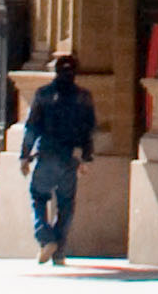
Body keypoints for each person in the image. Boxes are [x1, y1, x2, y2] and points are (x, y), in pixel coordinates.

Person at [19, 52, 100, 261]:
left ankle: (46, 239)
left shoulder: (43, 94)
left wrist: (25, 155)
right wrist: (86, 158)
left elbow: (32, 127)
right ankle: (59, 251)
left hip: (46, 154)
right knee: (66, 204)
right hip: (69, 157)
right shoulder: (83, 97)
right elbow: (88, 130)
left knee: (38, 197)